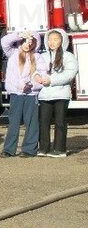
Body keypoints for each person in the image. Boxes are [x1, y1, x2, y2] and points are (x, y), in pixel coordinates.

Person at [35, 27, 78, 157]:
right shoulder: (42, 56)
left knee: (60, 122)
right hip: (44, 95)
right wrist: (36, 76)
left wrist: (50, 80)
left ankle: (60, 149)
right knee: (43, 122)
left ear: (62, 40)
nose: (52, 42)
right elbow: (35, 70)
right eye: (50, 39)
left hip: (61, 94)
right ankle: (43, 148)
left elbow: (69, 74)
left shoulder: (68, 56)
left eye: (55, 39)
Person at [1, 31, 41, 158]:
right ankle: (9, 149)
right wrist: (20, 35)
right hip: (15, 93)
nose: (27, 44)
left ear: (35, 43)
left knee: (31, 122)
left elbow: (42, 74)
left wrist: (32, 86)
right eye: (25, 41)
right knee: (14, 122)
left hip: (31, 94)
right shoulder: (13, 53)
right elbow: (4, 41)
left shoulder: (38, 57)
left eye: (31, 42)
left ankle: (29, 149)